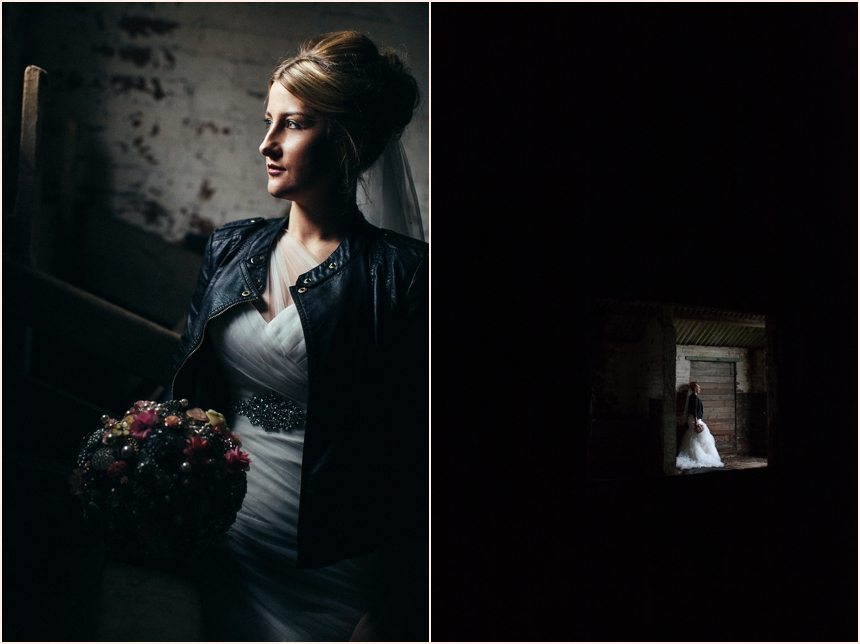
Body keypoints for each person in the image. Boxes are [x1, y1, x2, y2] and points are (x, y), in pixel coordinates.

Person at [170, 31, 428, 641]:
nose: (267, 143)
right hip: (223, 529)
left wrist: (404, 593)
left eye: (293, 124)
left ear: (349, 140)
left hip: (334, 555)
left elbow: (420, 447)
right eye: (268, 121)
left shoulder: (404, 274)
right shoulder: (230, 247)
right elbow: (186, 388)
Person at [676, 382, 724, 470]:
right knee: (699, 435)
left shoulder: (693, 397)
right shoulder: (693, 397)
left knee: (694, 437)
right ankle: (698, 457)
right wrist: (696, 422)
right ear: (694, 388)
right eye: (698, 387)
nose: (700, 389)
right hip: (695, 420)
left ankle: (696, 455)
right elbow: (694, 411)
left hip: (694, 419)